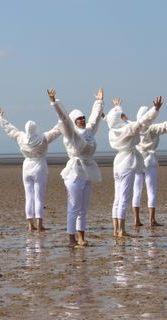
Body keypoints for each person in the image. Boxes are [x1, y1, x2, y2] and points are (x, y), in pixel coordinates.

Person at [47, 87, 104, 247]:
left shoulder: (88, 131)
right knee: (74, 207)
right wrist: (54, 102)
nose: (83, 120)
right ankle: (71, 239)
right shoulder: (71, 133)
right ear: (74, 121)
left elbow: (95, 118)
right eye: (79, 118)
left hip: (88, 171)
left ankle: (81, 237)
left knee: (83, 208)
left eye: (83, 117)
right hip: (74, 173)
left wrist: (98, 101)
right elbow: (64, 118)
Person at [105, 96, 163, 237]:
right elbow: (143, 121)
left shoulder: (112, 130)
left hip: (118, 162)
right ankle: (121, 230)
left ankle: (115, 229)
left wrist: (117, 108)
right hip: (127, 162)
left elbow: (110, 119)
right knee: (124, 198)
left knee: (117, 198)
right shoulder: (128, 129)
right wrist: (155, 109)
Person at [0, 107, 61, 231]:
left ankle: (30, 225)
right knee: (39, 197)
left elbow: (10, 129)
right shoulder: (43, 138)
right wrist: (62, 118)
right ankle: (40, 224)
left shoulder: (21, 137)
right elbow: (57, 130)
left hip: (26, 168)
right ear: (36, 129)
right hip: (39, 167)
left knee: (29, 197)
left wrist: (1, 119)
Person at [132, 108, 167, 227]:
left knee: (137, 192)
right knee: (151, 192)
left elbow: (122, 123)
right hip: (149, 162)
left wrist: (106, 117)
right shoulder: (152, 128)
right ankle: (151, 220)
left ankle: (136, 219)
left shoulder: (134, 127)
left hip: (137, 162)